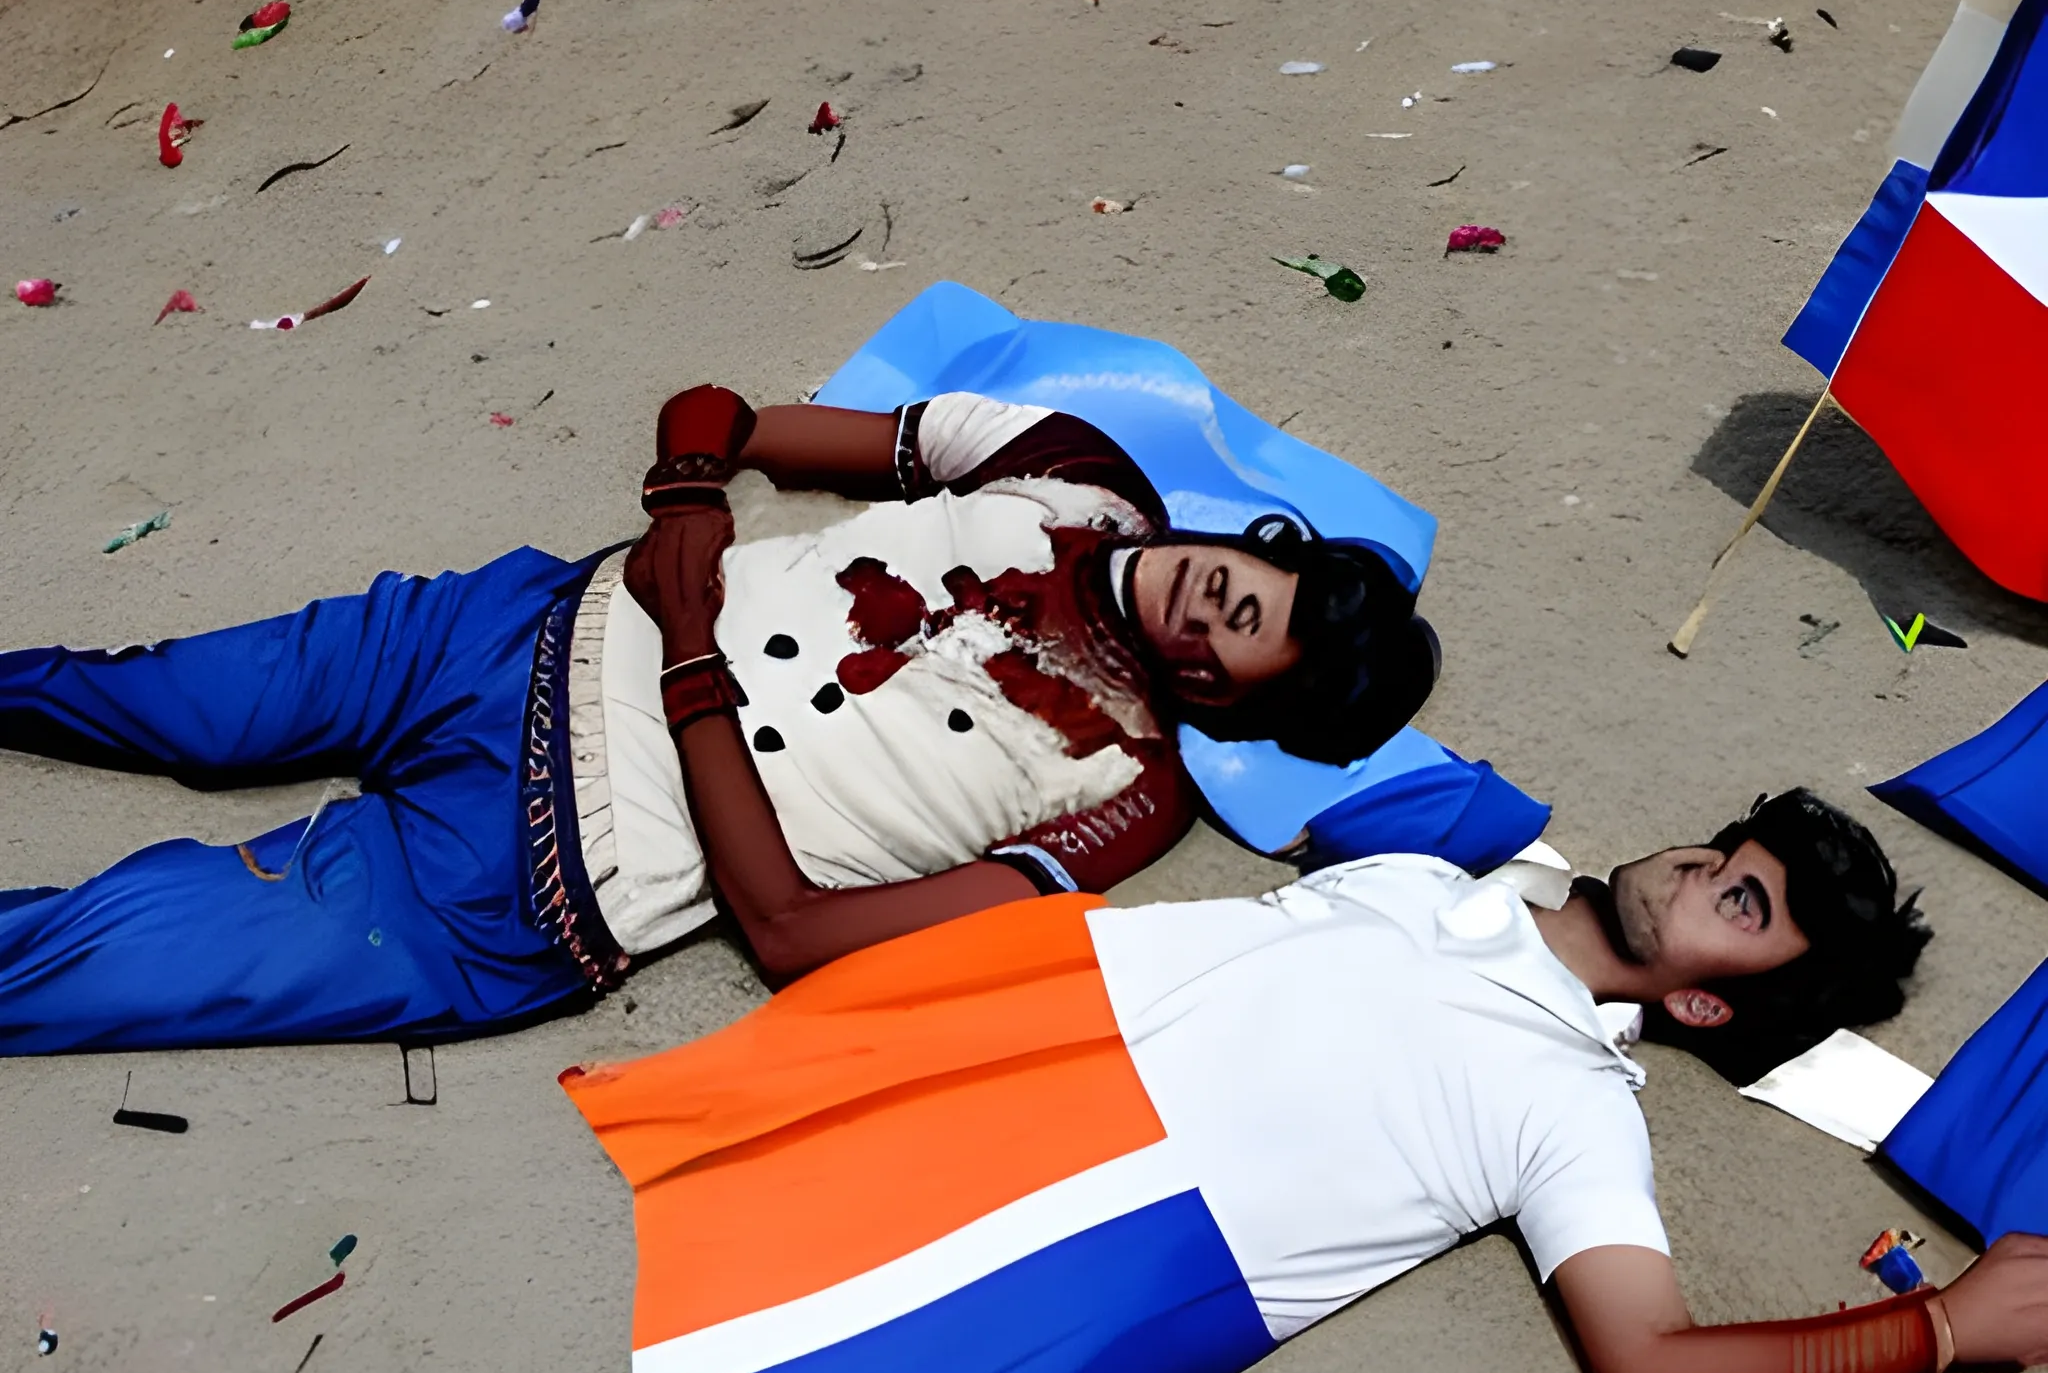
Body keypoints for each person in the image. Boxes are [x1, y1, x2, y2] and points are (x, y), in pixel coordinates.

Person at [565, 786, 2048, 1373]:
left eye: (1743, 903)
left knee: (775, 1350)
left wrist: (1942, 1328)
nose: (1705, 869)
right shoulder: (1430, 873)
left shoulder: (1577, 1105)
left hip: (1091, 1198)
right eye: (1729, 853)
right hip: (1020, 1050)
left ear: (1710, 1004)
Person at [0, 384, 1437, 1053]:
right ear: (1272, 542)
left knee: (77, 965)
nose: (1212, 602)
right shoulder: (1080, 470)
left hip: (520, 886)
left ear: (1218, 696)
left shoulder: (1131, 795)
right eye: (1259, 580)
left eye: (1239, 639)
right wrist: (689, 494)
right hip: (501, 631)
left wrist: (697, 659)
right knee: (147, 696)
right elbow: (722, 412)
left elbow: (797, 936)